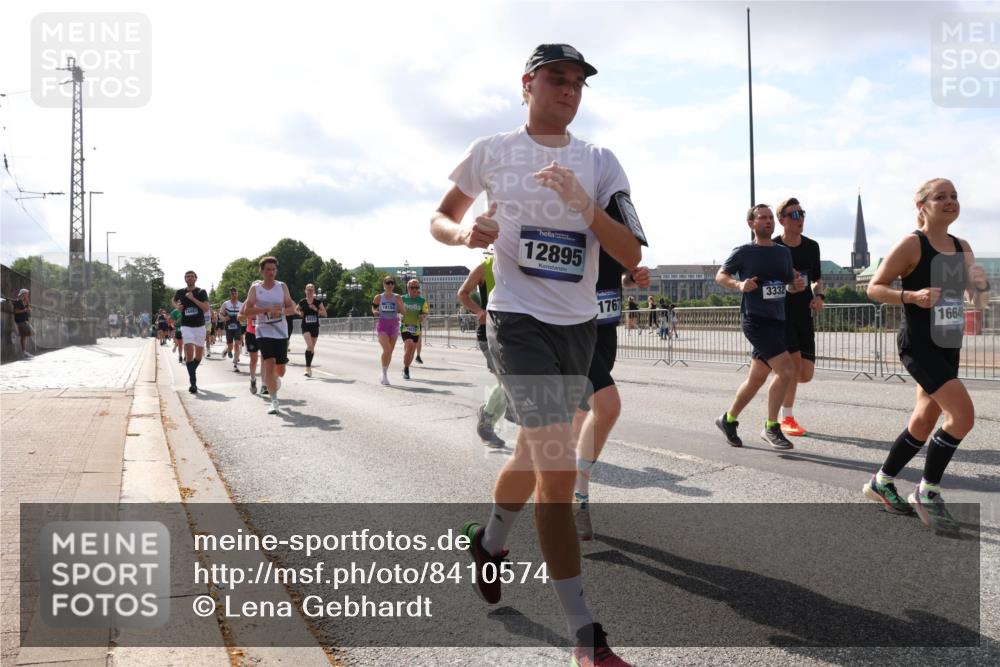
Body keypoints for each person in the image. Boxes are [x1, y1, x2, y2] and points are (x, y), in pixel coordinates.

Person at [430, 43, 642, 667]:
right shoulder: (492, 151)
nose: (569, 91)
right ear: (528, 83)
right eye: (557, 79)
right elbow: (440, 218)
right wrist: (465, 232)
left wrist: (584, 205)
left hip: (578, 328)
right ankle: (586, 637)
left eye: (579, 83)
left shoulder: (601, 163)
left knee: (531, 448)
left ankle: (490, 543)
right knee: (555, 467)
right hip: (516, 318)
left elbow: (629, 253)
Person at [863, 178, 990, 530]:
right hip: (919, 345)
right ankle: (928, 491)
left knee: (922, 421)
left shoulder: (961, 246)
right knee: (962, 417)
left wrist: (979, 287)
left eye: (954, 196)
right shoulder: (911, 244)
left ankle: (882, 481)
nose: (950, 201)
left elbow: (978, 301)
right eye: (940, 197)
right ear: (922, 206)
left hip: (949, 342)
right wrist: (912, 296)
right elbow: (876, 287)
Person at [573, 242, 651, 541]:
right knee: (607, 406)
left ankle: (560, 489)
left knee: (580, 414)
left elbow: (619, 277)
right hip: (574, 329)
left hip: (606, 330)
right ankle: (578, 497)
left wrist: (634, 280)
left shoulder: (613, 227)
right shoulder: (568, 215)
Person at [714, 204, 804, 450]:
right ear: (751, 224)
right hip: (755, 320)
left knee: (756, 379)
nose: (768, 221)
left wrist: (795, 285)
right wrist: (739, 284)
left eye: (769, 218)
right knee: (786, 370)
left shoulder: (783, 253)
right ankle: (771, 427)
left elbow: (787, 283)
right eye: (761, 218)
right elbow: (720, 276)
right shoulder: (743, 252)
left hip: (778, 320)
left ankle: (728, 419)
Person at [773, 198, 824, 437]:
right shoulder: (773, 248)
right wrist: (787, 285)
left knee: (805, 374)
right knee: (792, 369)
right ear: (781, 219)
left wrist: (819, 296)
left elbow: (816, 278)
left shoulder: (812, 246)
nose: (800, 218)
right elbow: (766, 282)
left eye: (802, 213)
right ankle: (787, 418)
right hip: (782, 315)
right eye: (794, 215)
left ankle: (780, 382)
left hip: (804, 313)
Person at [457, 254, 506, 448]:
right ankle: (487, 421)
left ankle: (487, 415)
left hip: (520, 331)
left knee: (510, 383)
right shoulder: (486, 266)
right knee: (508, 381)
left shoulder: (525, 260)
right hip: (491, 332)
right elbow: (463, 293)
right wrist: (479, 312)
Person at [244, 257, 296, 414]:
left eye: (274, 269)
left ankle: (274, 380)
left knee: (280, 370)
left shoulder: (282, 286)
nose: (271, 272)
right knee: (269, 362)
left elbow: (291, 308)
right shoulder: (255, 289)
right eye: (268, 269)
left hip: (281, 331)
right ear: (262, 271)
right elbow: (247, 311)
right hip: (263, 330)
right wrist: (265, 310)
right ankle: (274, 401)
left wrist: (280, 311)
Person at [173, 271, 210, 394]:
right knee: (188, 350)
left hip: (199, 326)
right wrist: (177, 306)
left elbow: (206, 308)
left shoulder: (201, 292)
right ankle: (193, 383)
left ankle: (192, 370)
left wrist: (193, 298)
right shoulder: (180, 292)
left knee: (198, 356)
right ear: (185, 279)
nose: (190, 278)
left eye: (192, 276)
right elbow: (173, 300)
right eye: (187, 276)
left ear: (196, 278)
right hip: (186, 326)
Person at [372, 276, 404, 386]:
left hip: (394, 325)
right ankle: (384, 375)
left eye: (392, 283)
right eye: (387, 283)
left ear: (394, 285)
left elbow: (404, 312)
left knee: (390, 351)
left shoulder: (398, 297)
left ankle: (384, 372)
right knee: (387, 349)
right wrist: (375, 312)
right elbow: (373, 308)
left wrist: (400, 304)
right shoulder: (378, 297)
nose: (390, 285)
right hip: (382, 325)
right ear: (384, 285)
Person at [296, 283, 327, 377]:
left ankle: (308, 368)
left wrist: (316, 309)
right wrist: (300, 312)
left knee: (312, 348)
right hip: (305, 326)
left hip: (315, 327)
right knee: (309, 345)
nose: (310, 291)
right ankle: (307, 368)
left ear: (314, 292)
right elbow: (295, 309)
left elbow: (325, 314)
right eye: (308, 290)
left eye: (311, 290)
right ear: (305, 291)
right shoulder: (302, 302)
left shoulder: (318, 302)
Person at [399, 278, 429, 380]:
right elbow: (396, 310)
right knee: (410, 345)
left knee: (411, 351)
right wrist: (399, 315)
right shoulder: (402, 298)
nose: (415, 290)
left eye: (417, 287)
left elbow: (425, 312)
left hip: (416, 328)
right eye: (413, 287)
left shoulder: (422, 301)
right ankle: (406, 369)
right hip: (405, 326)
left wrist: (423, 316)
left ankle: (406, 366)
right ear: (408, 288)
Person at [239, 294, 260, 395]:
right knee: (254, 359)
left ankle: (265, 384)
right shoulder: (247, 303)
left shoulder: (266, 301)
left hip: (265, 333)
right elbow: (239, 317)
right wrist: (249, 315)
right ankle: (253, 379)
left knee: (266, 359)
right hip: (251, 334)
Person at [220, 288, 244, 372]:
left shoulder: (241, 304)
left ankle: (235, 363)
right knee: (230, 346)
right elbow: (220, 313)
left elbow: (244, 314)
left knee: (237, 344)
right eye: (232, 293)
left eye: (235, 293)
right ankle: (228, 350)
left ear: (237, 294)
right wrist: (223, 318)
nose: (234, 294)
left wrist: (242, 318)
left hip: (237, 327)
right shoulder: (226, 304)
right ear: (230, 295)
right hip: (229, 327)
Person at [13, 288, 33, 358]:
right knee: (24, 336)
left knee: (26, 335)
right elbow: (16, 311)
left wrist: (27, 303)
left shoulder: (23, 302)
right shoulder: (18, 301)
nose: (28, 295)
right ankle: (24, 352)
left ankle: (24, 351)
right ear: (23, 294)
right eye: (27, 294)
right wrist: (25, 309)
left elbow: (29, 310)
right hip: (20, 321)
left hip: (24, 321)